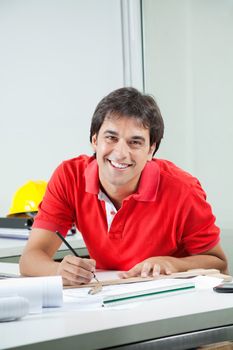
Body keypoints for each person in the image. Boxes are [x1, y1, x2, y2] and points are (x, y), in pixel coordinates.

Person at [19, 87, 228, 285]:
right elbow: (30, 259)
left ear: (151, 150)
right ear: (94, 140)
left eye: (135, 142)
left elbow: (219, 264)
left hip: (170, 302)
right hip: (104, 298)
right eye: (111, 137)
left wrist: (173, 263)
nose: (120, 153)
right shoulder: (69, 176)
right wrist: (58, 271)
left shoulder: (183, 189)